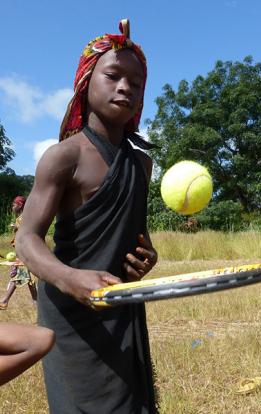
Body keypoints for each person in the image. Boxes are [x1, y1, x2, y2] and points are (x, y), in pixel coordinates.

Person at [16, 19, 159, 413]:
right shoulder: (64, 157)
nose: (126, 87)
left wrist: (146, 258)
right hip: (69, 310)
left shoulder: (142, 165)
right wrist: (71, 279)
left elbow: (134, 234)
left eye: (136, 82)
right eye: (113, 75)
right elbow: (26, 239)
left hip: (121, 304)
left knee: (130, 403)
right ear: (85, 80)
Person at [0, 196, 37, 310]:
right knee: (28, 279)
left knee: (18, 275)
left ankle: (4, 301)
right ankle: (37, 303)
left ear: (20, 205)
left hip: (26, 253)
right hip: (22, 252)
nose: (12, 207)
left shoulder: (25, 218)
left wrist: (17, 227)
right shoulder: (21, 218)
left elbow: (29, 231)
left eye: (13, 205)